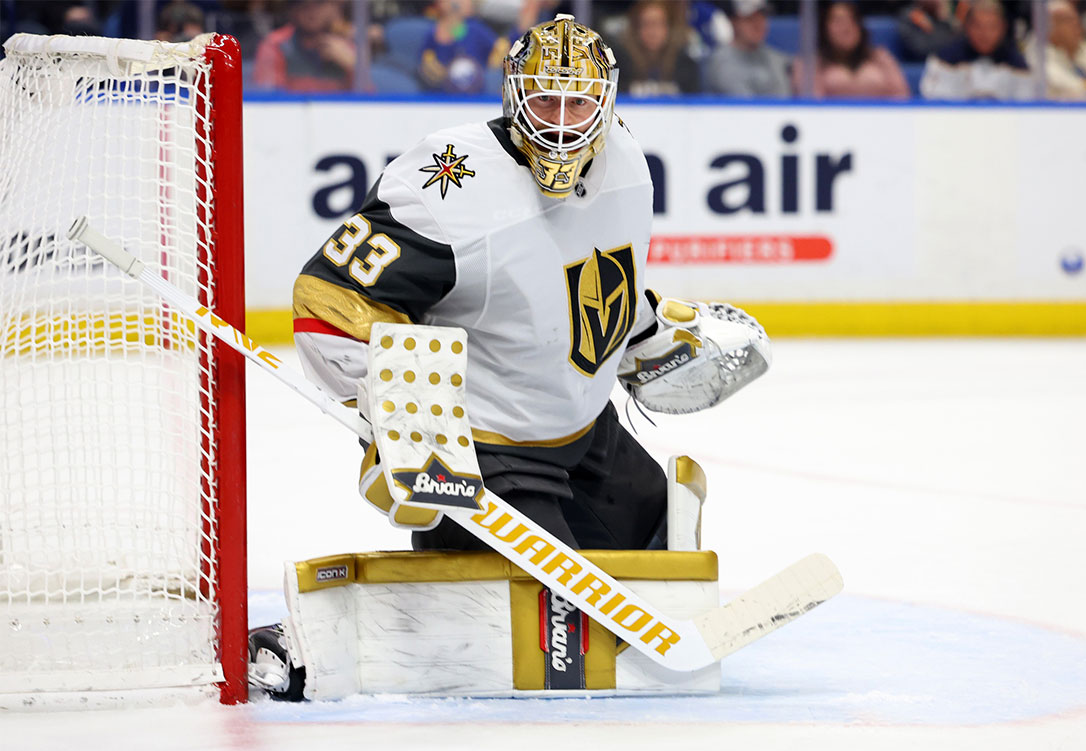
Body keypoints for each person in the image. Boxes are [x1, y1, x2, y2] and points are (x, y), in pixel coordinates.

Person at [247, 15, 769, 698]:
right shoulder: (447, 185)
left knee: (658, 546)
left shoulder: (626, 159)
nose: (562, 124)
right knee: (544, 626)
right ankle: (303, 646)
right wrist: (398, 419)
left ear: (607, 102)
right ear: (513, 95)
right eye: (544, 101)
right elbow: (328, 301)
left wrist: (645, 332)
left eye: (578, 102)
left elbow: (591, 274)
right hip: (486, 454)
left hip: (586, 435)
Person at [919, 0, 1035, 100]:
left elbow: (1026, 104)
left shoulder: (1017, 64)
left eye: (991, 27)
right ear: (967, 27)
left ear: (1003, 28)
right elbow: (934, 100)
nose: (984, 34)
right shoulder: (945, 59)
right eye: (978, 26)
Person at [793, 0, 910, 98]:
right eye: (838, 22)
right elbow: (811, 106)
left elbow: (902, 97)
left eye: (852, 20)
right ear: (824, 29)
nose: (846, 28)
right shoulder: (809, 63)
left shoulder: (881, 57)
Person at [252, 0, 360, 92]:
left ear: (333, 8)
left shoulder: (347, 45)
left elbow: (365, 97)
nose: (312, 11)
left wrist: (353, 66)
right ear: (293, 10)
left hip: (337, 109)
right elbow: (269, 97)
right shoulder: (275, 45)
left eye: (319, 3)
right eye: (304, 5)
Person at [608, 0, 701, 96]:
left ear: (669, 27)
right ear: (635, 29)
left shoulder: (685, 64)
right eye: (646, 24)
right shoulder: (618, 64)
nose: (652, 32)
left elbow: (695, 99)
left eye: (658, 24)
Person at [418, 0, 509, 94]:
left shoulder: (474, 28)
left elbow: (499, 48)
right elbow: (427, 58)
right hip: (443, 91)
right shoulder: (433, 31)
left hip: (478, 89)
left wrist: (494, 64)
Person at [704, 0, 791, 97]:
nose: (758, 24)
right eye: (750, 19)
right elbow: (746, 103)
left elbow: (784, 96)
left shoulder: (774, 56)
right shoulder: (721, 62)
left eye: (762, 17)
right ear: (734, 22)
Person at [896, 0, 961, 62]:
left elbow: (956, 45)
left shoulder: (939, 16)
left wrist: (946, 20)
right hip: (920, 63)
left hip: (944, 62)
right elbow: (921, 50)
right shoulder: (909, 16)